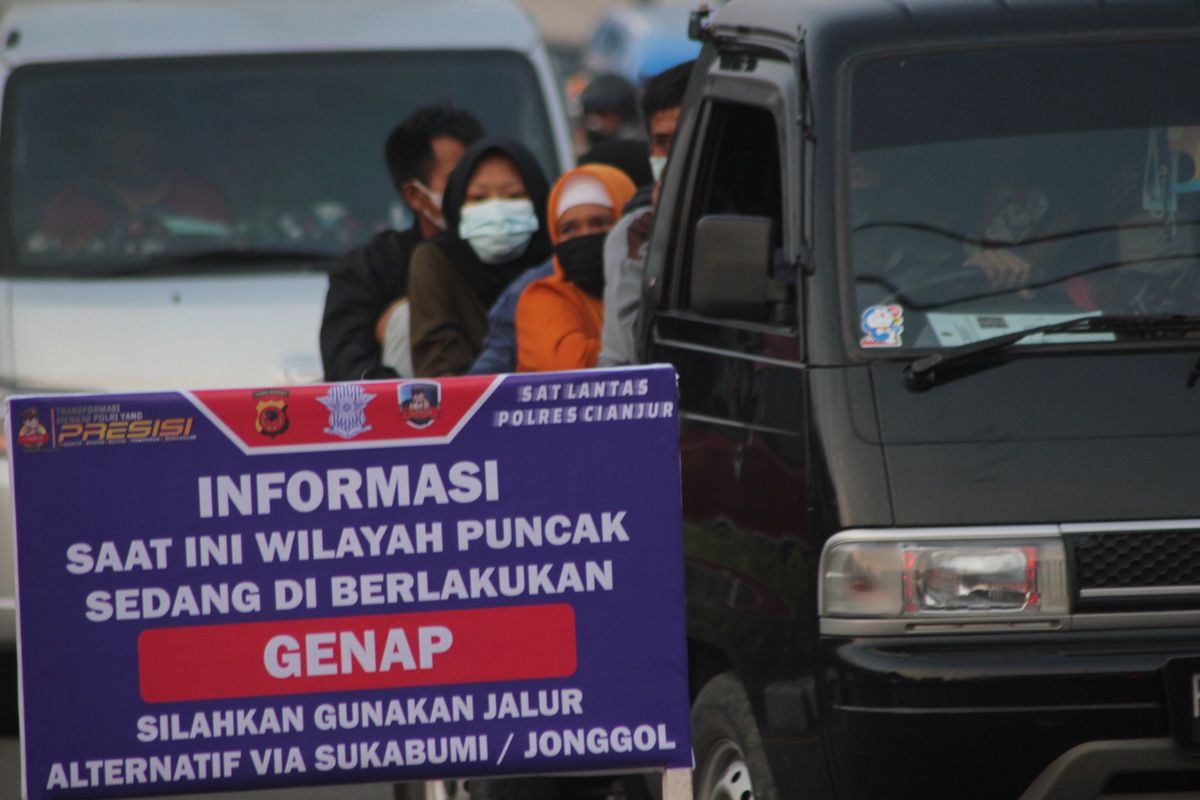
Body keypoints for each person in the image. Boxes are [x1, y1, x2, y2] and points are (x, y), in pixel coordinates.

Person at [318, 105, 485, 382]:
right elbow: (347, 371)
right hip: (420, 419)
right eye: (459, 178)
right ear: (415, 195)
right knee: (405, 319)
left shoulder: (522, 253)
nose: (475, 189)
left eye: (479, 174)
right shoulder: (367, 271)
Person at [408, 137, 552, 377]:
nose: (497, 211)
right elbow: (438, 368)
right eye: (479, 198)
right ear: (458, 205)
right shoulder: (436, 259)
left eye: (514, 196)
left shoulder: (558, 261)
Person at [597, 60, 694, 367]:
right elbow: (634, 351)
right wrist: (662, 229)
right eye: (662, 143)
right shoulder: (636, 230)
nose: (671, 156)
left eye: (682, 139)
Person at [35, 104, 230, 251]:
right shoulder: (68, 206)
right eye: (121, 131)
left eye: (143, 131)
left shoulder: (201, 199)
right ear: (101, 142)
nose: (134, 142)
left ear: (160, 139)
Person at [515, 164, 636, 372]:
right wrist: (640, 347)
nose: (584, 235)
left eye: (600, 223)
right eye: (568, 229)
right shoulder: (542, 297)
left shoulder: (653, 290)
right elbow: (570, 365)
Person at [576, 73, 642, 151]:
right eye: (592, 111)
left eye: (602, 112)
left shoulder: (636, 144)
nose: (598, 120)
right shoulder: (590, 140)